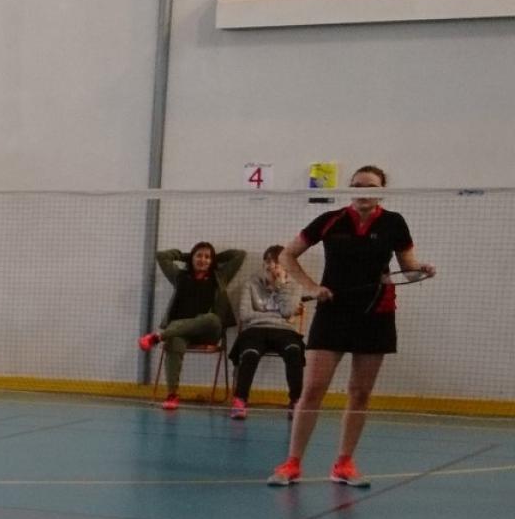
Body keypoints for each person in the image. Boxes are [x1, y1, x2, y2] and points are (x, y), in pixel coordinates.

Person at [268, 165, 434, 487]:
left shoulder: (394, 223)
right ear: (350, 188)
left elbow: (408, 268)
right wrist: (312, 287)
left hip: (376, 313)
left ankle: (343, 464)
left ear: (382, 191)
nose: (363, 192)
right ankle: (292, 463)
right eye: (357, 185)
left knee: (360, 393)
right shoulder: (330, 220)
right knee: (313, 389)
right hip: (333, 311)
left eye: (370, 186)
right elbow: (288, 255)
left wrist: (421, 271)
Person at [138, 242, 243, 410]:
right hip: (181, 332)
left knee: (211, 318)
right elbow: (162, 256)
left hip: (209, 331)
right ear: (192, 258)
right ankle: (172, 395)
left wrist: (214, 258)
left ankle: (159, 336)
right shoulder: (179, 276)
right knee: (174, 341)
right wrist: (186, 256)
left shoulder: (220, 277)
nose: (203, 259)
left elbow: (239, 255)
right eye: (199, 256)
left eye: (207, 257)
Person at [226, 245, 307, 420]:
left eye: (278, 263)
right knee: (250, 354)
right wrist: (275, 316)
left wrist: (281, 286)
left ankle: (295, 401)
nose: (272, 266)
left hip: (284, 331)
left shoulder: (294, 286)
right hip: (255, 330)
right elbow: (245, 315)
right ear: (264, 264)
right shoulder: (251, 284)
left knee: (294, 351)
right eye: (268, 262)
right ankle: (240, 401)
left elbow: (287, 311)